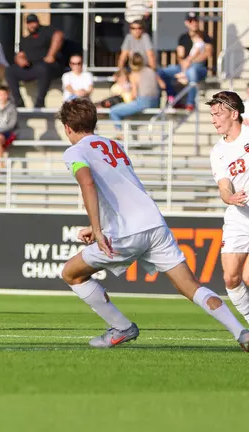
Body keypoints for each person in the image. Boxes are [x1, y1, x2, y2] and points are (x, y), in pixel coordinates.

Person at [58, 97, 249, 350]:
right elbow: (122, 189)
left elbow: (87, 183)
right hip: (154, 224)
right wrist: (97, 227)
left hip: (126, 232)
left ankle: (122, 327)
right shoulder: (113, 145)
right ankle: (241, 333)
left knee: (71, 273)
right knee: (190, 286)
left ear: (67, 128)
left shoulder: (74, 152)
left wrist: (98, 228)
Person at [207, 91, 249, 326]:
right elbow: (224, 186)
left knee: (248, 276)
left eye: (218, 114)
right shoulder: (218, 151)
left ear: (234, 114)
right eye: (212, 115)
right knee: (231, 278)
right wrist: (229, 197)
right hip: (239, 216)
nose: (214, 120)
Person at [5, 14, 64, 108]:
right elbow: (20, 54)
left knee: (43, 68)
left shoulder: (46, 31)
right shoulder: (25, 40)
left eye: (33, 22)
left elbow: (59, 35)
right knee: (10, 70)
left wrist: (51, 55)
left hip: (49, 67)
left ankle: (40, 102)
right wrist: (20, 60)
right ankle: (19, 102)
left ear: (38, 22)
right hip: (32, 67)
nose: (32, 25)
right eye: (29, 23)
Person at [157, 12, 213, 110]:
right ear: (186, 23)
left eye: (196, 20)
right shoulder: (183, 37)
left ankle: (190, 103)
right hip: (183, 66)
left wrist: (189, 62)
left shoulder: (205, 36)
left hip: (199, 68)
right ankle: (173, 97)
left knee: (192, 71)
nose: (194, 23)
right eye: (191, 21)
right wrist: (184, 65)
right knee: (161, 72)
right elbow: (180, 56)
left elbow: (207, 54)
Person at [109, 53, 162, 133]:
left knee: (114, 111)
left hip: (143, 102)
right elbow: (163, 85)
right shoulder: (152, 71)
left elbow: (134, 95)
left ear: (131, 63)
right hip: (156, 102)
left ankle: (120, 135)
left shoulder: (134, 74)